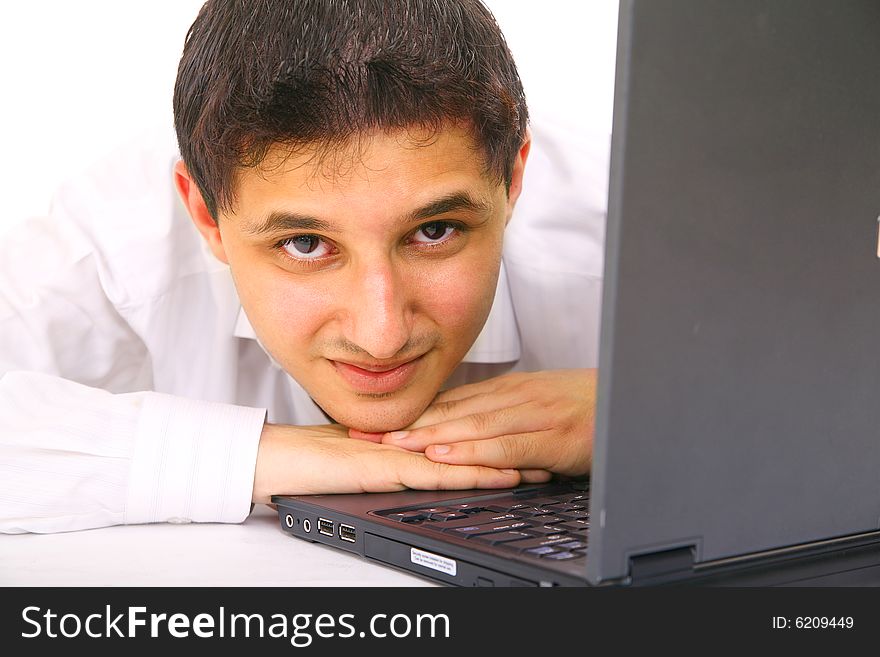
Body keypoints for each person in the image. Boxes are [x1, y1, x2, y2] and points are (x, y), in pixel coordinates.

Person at [0, 0, 606, 533]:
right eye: (305, 244)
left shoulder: (626, 227)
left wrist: (644, 418)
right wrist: (263, 458)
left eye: (434, 231)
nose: (381, 334)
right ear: (206, 215)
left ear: (514, 177)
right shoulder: (115, 235)